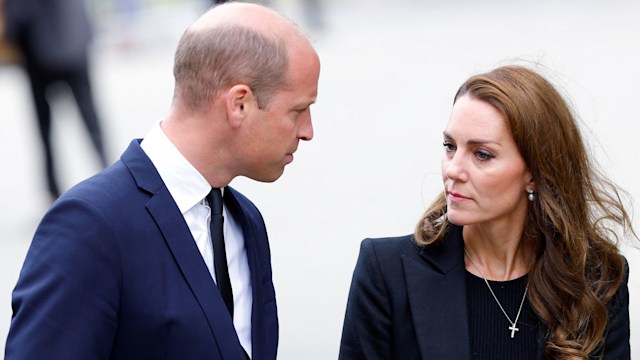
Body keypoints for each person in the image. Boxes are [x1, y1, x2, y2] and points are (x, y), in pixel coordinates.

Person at [5, 2, 320, 359]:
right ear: (239, 104)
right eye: (297, 110)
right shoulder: (88, 227)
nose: (308, 131)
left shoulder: (245, 221)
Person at [339, 65, 634, 359]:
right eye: (449, 146)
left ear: (534, 172)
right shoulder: (386, 272)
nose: (453, 169)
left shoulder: (597, 284)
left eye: (482, 154)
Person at [3, 0, 108, 199]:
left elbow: (19, 12)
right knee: (91, 120)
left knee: (45, 128)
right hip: (74, 41)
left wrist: (10, 34)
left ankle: (53, 189)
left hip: (40, 51)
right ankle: (109, 171)